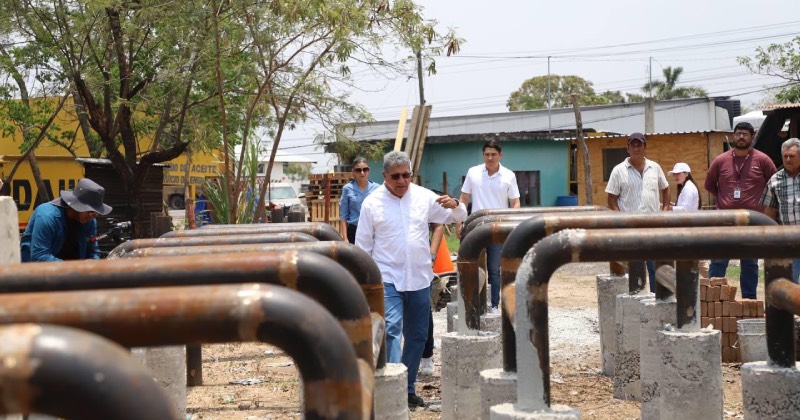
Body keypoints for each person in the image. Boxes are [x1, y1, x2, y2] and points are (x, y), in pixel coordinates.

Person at [356, 151, 466, 409]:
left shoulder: (424, 197)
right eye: (396, 176)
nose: (402, 181)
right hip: (387, 279)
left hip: (419, 277)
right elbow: (362, 247)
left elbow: (457, 217)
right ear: (385, 176)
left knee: (417, 335)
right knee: (391, 330)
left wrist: (455, 204)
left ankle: (406, 388)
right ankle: (391, 388)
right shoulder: (372, 204)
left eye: (406, 175)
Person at [705, 121, 777, 298]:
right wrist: (725, 200)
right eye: (738, 134)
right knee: (719, 261)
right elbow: (710, 185)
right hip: (725, 221)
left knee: (750, 263)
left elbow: (774, 184)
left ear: (752, 137)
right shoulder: (720, 160)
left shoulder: (762, 160)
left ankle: (749, 301)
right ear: (733, 136)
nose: (741, 137)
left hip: (752, 221)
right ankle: (712, 300)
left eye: (745, 134)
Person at [459, 139, 520, 314]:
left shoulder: (508, 175)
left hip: (497, 228)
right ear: (483, 155)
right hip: (475, 227)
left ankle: (494, 305)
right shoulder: (473, 173)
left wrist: (511, 223)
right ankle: (472, 305)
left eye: (494, 154)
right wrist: (460, 221)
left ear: (500, 155)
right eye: (487, 154)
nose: (490, 158)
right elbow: (464, 198)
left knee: (494, 269)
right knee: (472, 266)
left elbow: (515, 202)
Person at [606, 132, 670, 292]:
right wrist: (620, 219)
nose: (636, 149)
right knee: (632, 267)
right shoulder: (619, 170)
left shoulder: (655, 168)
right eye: (633, 146)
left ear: (645, 147)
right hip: (630, 228)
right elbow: (611, 198)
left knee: (656, 267)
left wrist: (665, 210)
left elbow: (666, 188)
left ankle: (657, 298)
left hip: (653, 226)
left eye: (639, 145)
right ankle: (634, 298)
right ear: (627, 148)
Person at [20, 178, 112, 262]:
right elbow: (39, 257)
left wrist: (92, 261)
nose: (93, 216)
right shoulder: (47, 217)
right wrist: (74, 268)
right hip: (36, 272)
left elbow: (93, 252)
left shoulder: (90, 221)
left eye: (96, 213)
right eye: (90, 211)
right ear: (77, 206)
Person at [760, 137, 800, 283]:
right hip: (789, 240)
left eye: (792, 156)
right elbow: (769, 212)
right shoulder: (775, 180)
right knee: (790, 281)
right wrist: (771, 239)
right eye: (785, 156)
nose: (788, 159)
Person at [339, 157, 379, 243]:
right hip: (354, 231)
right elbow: (343, 216)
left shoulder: (377, 188)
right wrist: (345, 238)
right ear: (353, 171)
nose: (362, 173)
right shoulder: (347, 189)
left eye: (365, 169)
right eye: (358, 170)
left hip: (372, 230)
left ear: (369, 170)